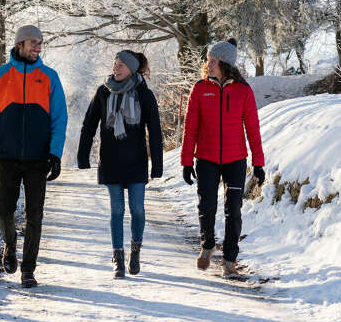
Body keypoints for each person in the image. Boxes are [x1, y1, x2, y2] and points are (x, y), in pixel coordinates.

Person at [0, 24, 67, 288]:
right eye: (33, 42)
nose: (38, 47)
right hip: (6, 157)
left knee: (35, 215)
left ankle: (28, 270)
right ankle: (10, 244)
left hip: (38, 159)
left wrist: (55, 154)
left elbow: (59, 119)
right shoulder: (0, 76)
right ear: (20, 44)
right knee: (4, 210)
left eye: (40, 43)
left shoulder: (50, 77)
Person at [180, 38, 265, 277]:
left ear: (225, 63)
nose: (208, 64)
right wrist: (186, 162)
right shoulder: (200, 89)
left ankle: (229, 259)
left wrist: (259, 163)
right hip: (206, 158)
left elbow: (253, 130)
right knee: (206, 206)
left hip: (235, 159)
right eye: (208, 59)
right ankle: (207, 244)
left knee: (233, 210)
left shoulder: (243, 91)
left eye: (213, 60)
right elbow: (190, 128)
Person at [77, 50, 163, 278]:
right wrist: (83, 156)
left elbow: (154, 131)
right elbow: (89, 125)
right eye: (115, 63)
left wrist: (157, 164)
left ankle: (135, 250)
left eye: (121, 65)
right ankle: (118, 259)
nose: (116, 68)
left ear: (132, 69)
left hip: (136, 162)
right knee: (116, 210)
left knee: (137, 210)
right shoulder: (103, 92)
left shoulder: (145, 95)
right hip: (111, 161)